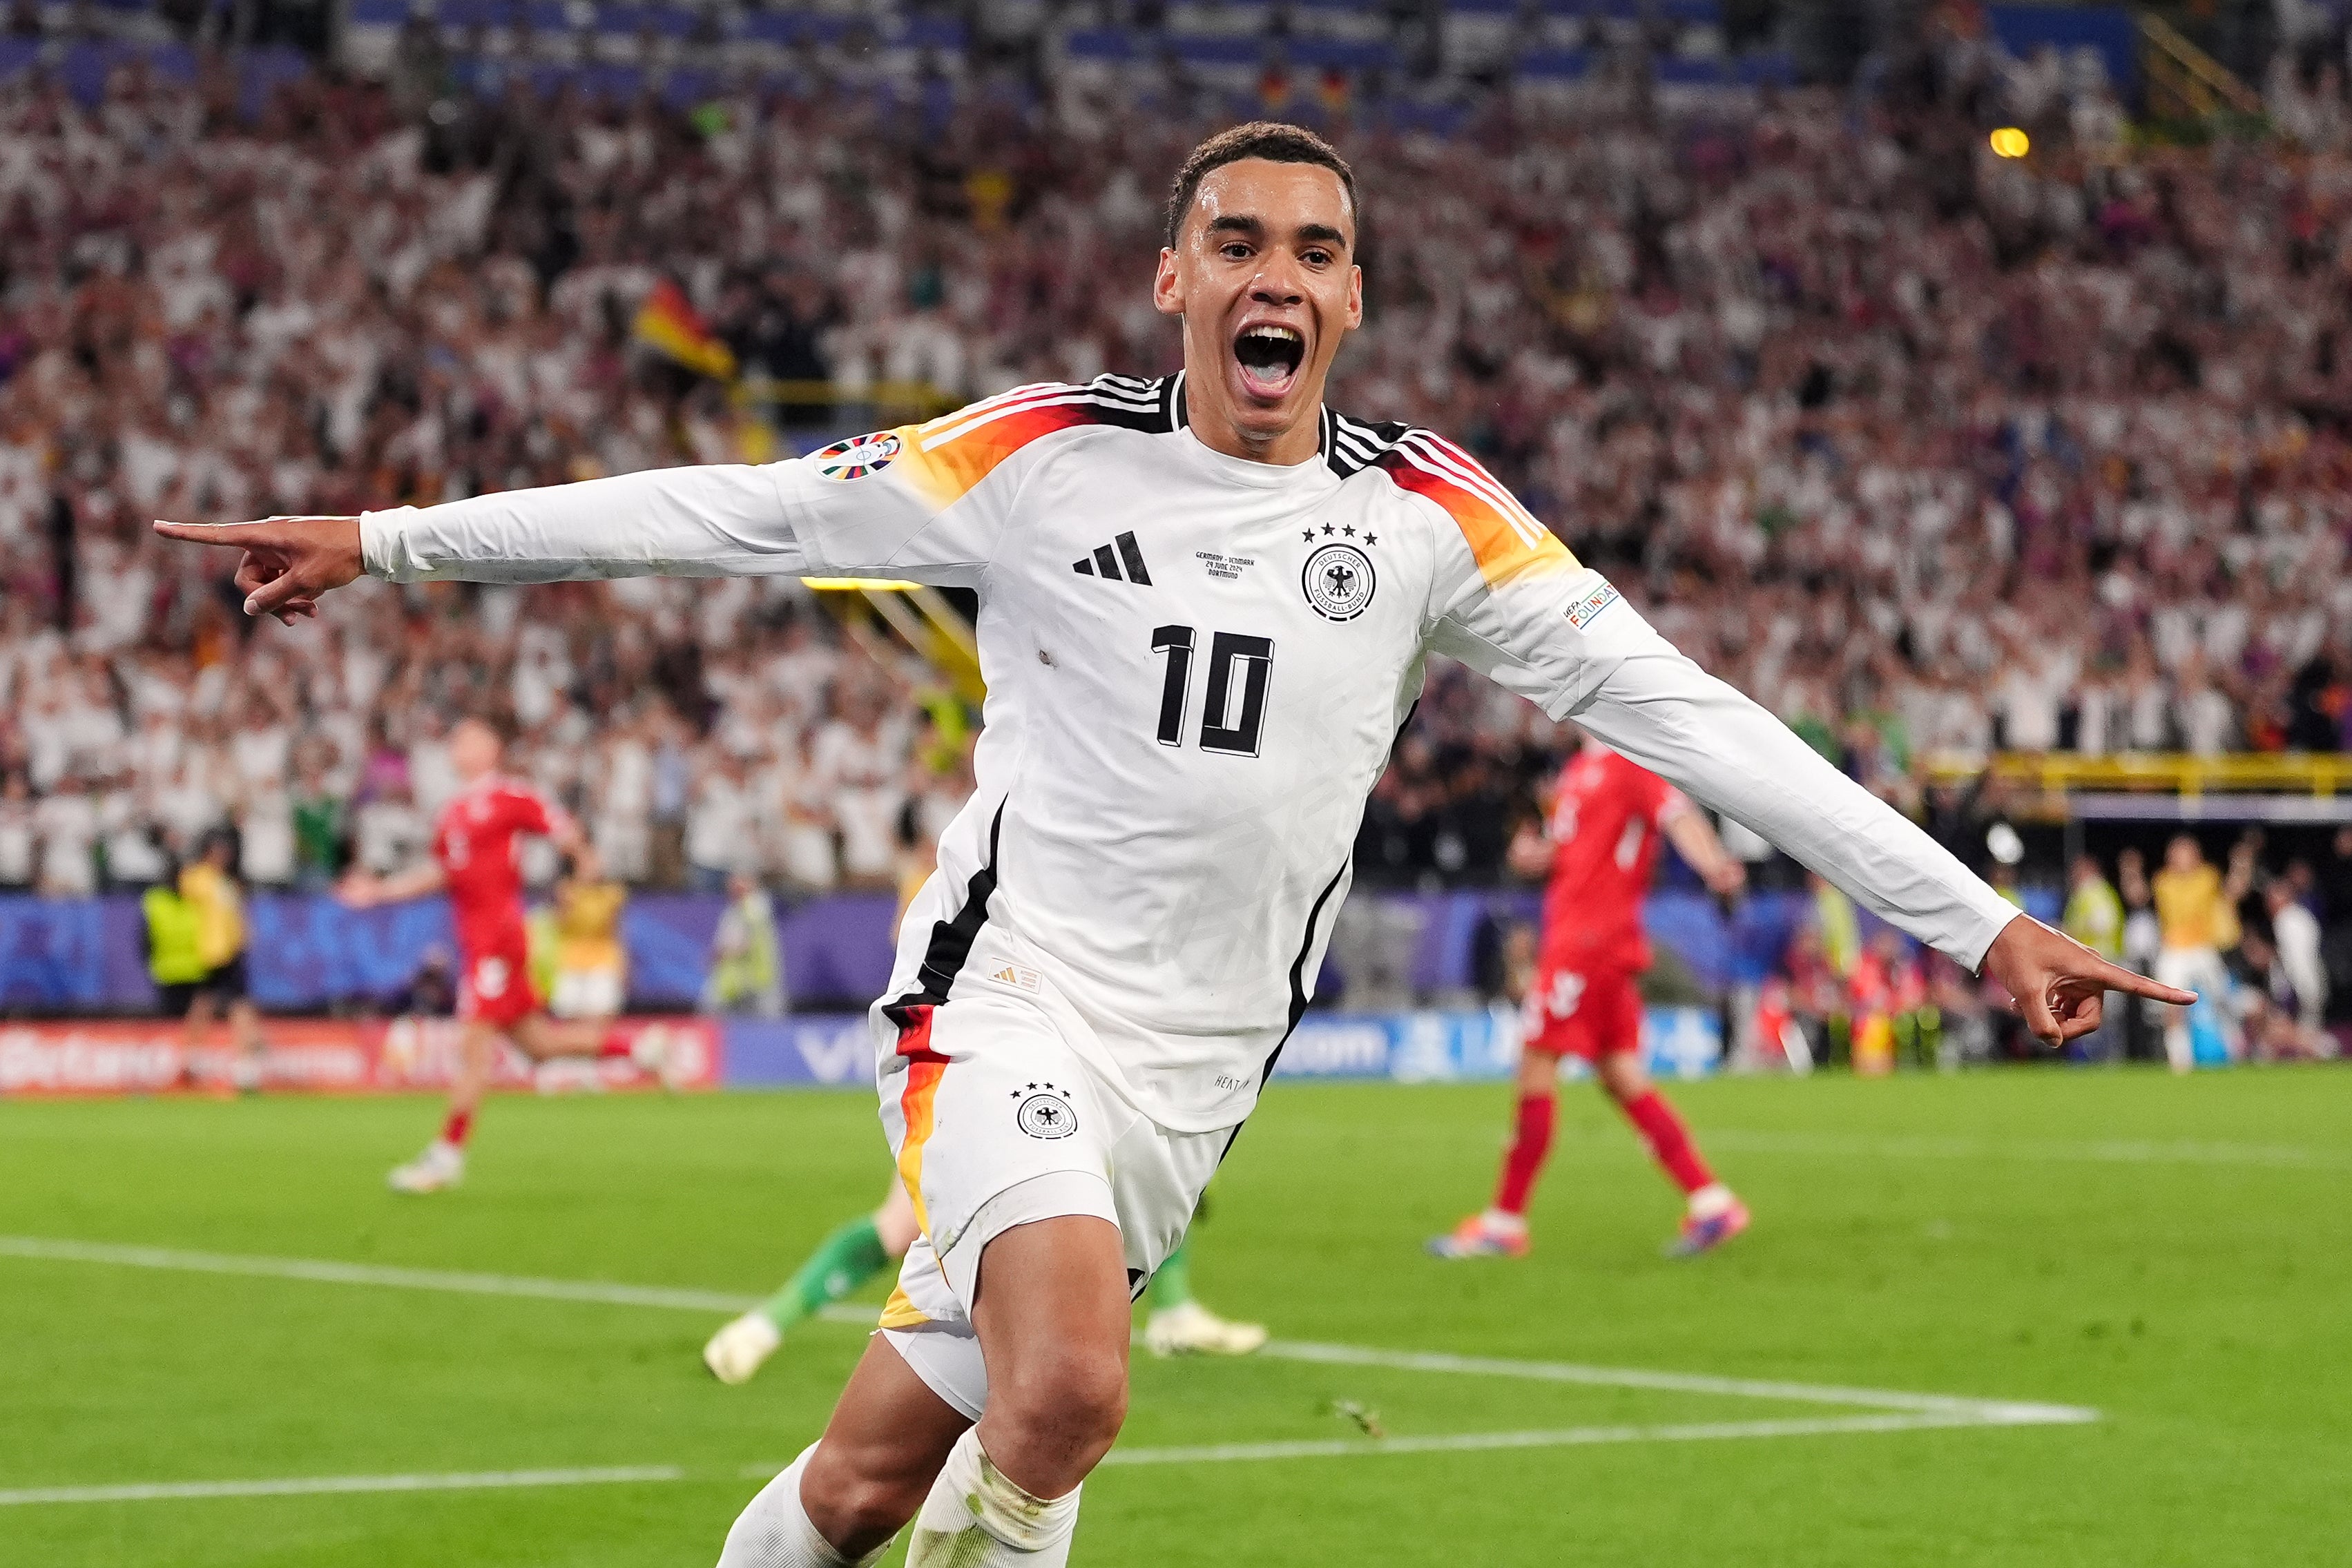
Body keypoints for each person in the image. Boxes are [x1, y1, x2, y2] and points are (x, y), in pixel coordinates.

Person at [160, 123, 2187, 1568]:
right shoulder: (1037, 458)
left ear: (1355, 297)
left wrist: (1975, 917)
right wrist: (390, 540)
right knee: (1070, 1396)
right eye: (1237, 241)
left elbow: (1690, 714)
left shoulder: (1426, 522)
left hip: (1190, 1085)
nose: (1273, 275)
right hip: (1000, 999)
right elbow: (742, 512)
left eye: (1312, 248)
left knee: (866, 1490)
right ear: (1173, 278)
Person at [1431, 741, 1751, 1261]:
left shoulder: (1629, 758)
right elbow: (1575, 847)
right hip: (1590, 940)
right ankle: (1712, 1202)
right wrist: (1535, 856)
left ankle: (1504, 1222)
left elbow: (1678, 815)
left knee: (1536, 1061)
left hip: (1588, 943)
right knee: (1621, 1074)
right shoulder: (1579, 770)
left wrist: (1714, 864)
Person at [338, 716, 655, 1193]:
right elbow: (443, 873)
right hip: (479, 944)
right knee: (538, 1047)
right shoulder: (452, 813)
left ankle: (446, 1156)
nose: (457, 743)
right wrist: (381, 891)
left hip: (498, 941)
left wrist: (585, 857)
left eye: (468, 736)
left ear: (491, 748)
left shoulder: (508, 795)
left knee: (473, 1050)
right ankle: (642, 1048)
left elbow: (559, 825)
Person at [177, 829, 270, 1094]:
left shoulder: (224, 882)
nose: (224, 856)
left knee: (222, 1004)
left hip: (228, 951)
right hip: (210, 951)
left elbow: (234, 914)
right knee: (221, 1005)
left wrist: (243, 933)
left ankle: (239, 1067)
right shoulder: (198, 878)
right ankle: (211, 1064)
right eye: (219, 850)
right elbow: (189, 894)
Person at [2146, 833, 2245, 1072]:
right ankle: (2180, 1060)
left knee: (2221, 999)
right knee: (2172, 1004)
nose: (2182, 858)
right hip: (2174, 950)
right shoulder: (2163, 881)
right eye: (2178, 853)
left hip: (2203, 947)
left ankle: (2235, 1050)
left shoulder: (2208, 877)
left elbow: (2231, 894)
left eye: (2187, 853)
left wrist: (2240, 865)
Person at [704, 869, 785, 1018]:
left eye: (740, 882)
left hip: (756, 982)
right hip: (744, 982)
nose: (733, 887)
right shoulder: (735, 910)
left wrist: (721, 954)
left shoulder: (754, 908)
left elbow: (742, 944)